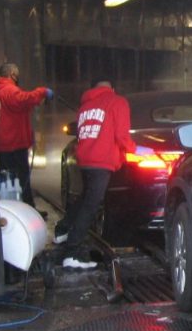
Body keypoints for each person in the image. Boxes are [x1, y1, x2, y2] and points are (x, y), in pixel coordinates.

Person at [53, 78, 135, 270]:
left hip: (86, 159)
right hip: (102, 160)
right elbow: (122, 136)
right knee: (91, 204)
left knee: (85, 197)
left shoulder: (85, 106)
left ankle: (62, 229)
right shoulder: (117, 102)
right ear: (112, 88)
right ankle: (72, 253)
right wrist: (135, 149)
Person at [0, 62, 52, 209]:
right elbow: (24, 98)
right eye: (16, 72)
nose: (18, 76)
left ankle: (12, 208)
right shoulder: (9, 91)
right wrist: (42, 91)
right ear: (11, 73)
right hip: (13, 145)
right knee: (20, 180)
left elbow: (18, 107)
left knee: (6, 181)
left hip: (1, 145)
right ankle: (25, 209)